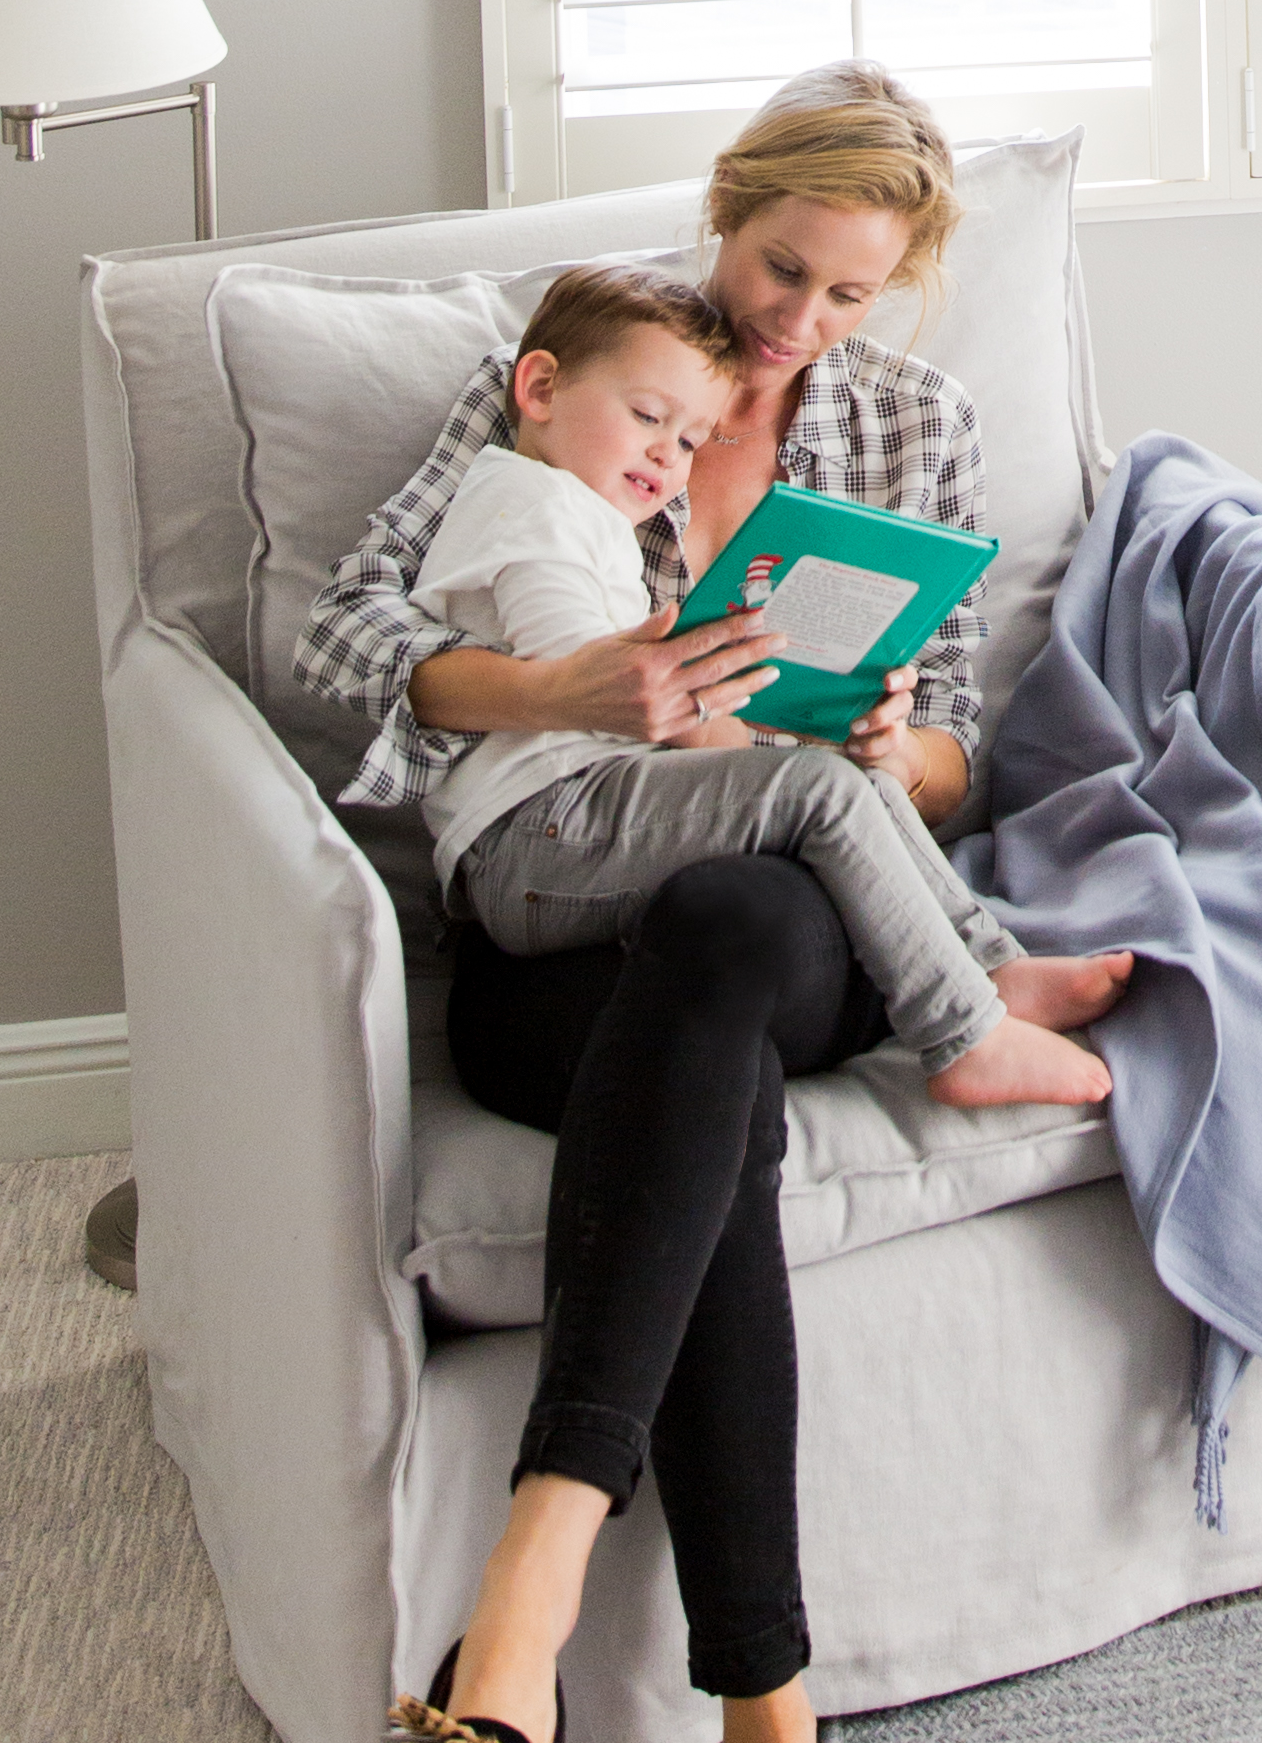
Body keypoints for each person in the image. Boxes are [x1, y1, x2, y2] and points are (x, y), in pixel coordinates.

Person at [290, 65, 1015, 1743]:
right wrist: (576, 684)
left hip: (795, 909)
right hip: (559, 916)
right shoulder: (593, 365)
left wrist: (892, 757)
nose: (801, 324)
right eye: (786, 268)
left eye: (851, 297)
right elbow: (354, 649)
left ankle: (520, 1610)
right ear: (730, 213)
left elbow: (961, 738)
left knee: (729, 918)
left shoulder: (911, 427)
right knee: (694, 1070)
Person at [407, 257, 1120, 1108]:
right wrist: (706, 697)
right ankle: (963, 1035)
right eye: (645, 419)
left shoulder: (580, 508)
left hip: (579, 816)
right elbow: (602, 682)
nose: (666, 458)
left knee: (849, 781)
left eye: (686, 443)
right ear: (538, 388)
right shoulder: (536, 505)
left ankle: (995, 969)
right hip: (536, 836)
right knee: (817, 788)